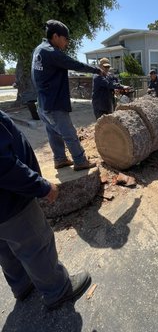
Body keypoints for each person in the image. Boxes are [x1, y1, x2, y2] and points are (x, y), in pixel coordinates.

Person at [0, 110, 91, 309]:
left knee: (5, 248)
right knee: (36, 245)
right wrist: (41, 186)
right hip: (10, 202)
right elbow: (3, 166)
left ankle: (22, 285)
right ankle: (58, 290)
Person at [32, 20, 100, 171]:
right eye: (65, 39)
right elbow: (74, 64)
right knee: (69, 133)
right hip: (54, 103)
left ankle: (60, 159)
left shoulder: (39, 50)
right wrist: (97, 70)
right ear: (55, 36)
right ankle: (80, 160)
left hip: (43, 103)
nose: (67, 43)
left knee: (53, 133)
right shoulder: (51, 52)